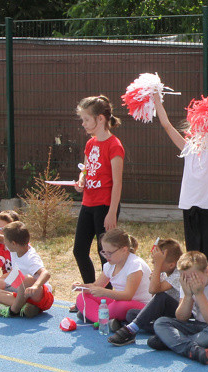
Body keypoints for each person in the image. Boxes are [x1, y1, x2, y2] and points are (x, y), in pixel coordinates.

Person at [153, 93, 208, 268]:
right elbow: (166, 125)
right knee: (193, 254)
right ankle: (195, 284)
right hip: (189, 206)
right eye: (198, 127)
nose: (201, 132)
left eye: (206, 127)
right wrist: (156, 100)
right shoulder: (187, 148)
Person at [71, 95, 124, 312]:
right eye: (82, 119)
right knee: (79, 250)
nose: (83, 124)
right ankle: (89, 292)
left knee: (106, 255)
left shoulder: (114, 145)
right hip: (88, 203)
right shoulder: (90, 143)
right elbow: (85, 169)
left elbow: (118, 183)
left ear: (100, 119)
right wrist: (81, 181)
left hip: (105, 206)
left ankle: (107, 297)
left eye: (86, 119)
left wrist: (111, 213)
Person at [108, 238, 183, 347]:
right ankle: (163, 330)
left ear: (171, 265)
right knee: (131, 314)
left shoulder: (179, 273)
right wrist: (156, 274)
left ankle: (130, 330)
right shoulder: (163, 272)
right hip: (167, 315)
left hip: (182, 314)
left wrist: (157, 268)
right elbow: (154, 298)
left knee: (162, 297)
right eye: (154, 261)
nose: (153, 264)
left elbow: (154, 292)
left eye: (157, 262)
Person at [72, 228, 152, 324]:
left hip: (140, 306)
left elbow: (128, 296)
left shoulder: (135, 265)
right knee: (82, 297)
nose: (106, 256)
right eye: (104, 252)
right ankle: (103, 319)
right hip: (120, 301)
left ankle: (95, 317)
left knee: (119, 306)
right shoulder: (110, 264)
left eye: (109, 253)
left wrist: (104, 292)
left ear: (124, 250)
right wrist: (80, 287)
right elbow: (96, 286)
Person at [0, 221, 54, 318]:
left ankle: (13, 311)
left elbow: (46, 274)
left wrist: (35, 286)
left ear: (13, 243)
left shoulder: (31, 258)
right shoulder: (16, 249)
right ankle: (26, 307)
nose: (4, 242)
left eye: (5, 241)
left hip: (41, 296)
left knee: (28, 279)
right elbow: (1, 239)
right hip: (24, 295)